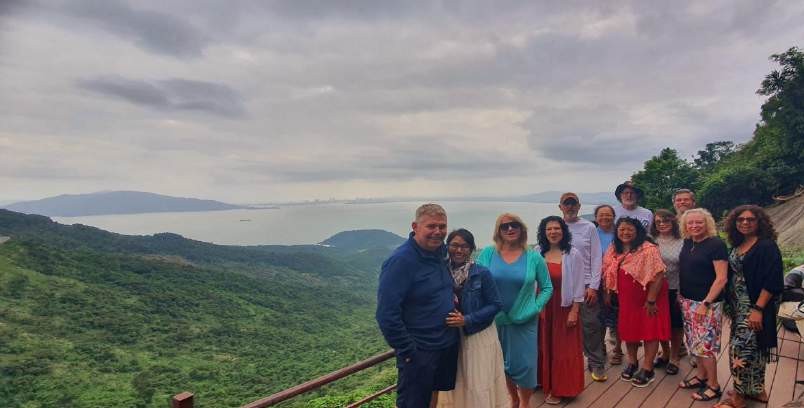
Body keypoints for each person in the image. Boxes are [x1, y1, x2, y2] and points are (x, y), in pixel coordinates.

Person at [376, 203, 459, 408]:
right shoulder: (401, 261)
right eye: (431, 226)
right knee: (413, 403)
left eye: (442, 226)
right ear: (415, 226)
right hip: (420, 350)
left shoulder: (440, 252)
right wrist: (409, 352)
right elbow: (386, 314)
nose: (438, 232)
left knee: (434, 395)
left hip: (444, 343)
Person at [476, 213, 553, 408]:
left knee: (526, 366)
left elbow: (547, 287)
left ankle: (525, 402)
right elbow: (476, 283)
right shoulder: (487, 254)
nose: (510, 229)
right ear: (498, 231)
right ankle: (514, 399)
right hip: (495, 320)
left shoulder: (533, 257)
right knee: (503, 364)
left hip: (525, 320)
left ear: (521, 229)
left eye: (514, 225)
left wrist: (535, 307)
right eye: (505, 226)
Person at [714, 205, 784, 408]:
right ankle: (756, 389)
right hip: (739, 307)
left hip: (753, 306)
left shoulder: (766, 246)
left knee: (740, 349)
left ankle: (738, 398)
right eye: (740, 220)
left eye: (750, 219)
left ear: (759, 222)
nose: (745, 222)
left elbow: (772, 280)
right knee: (754, 349)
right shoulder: (739, 243)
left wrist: (758, 309)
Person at [438, 228, 508, 408]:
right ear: (447, 247)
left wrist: (467, 319)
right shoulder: (440, 272)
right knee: (458, 381)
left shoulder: (480, 273)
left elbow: (496, 304)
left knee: (479, 382)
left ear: (471, 249)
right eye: (454, 245)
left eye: (464, 246)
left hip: (478, 335)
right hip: (452, 337)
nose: (459, 250)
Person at [602, 217, 669, 387]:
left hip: (649, 298)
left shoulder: (648, 249)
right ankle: (632, 362)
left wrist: (651, 299)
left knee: (649, 331)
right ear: (616, 232)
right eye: (621, 229)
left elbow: (659, 274)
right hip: (626, 298)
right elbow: (608, 272)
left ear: (638, 231)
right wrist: (609, 292)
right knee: (629, 330)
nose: (625, 232)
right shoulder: (613, 249)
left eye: (630, 229)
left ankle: (648, 368)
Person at [676, 208, 729, 402]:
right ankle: (701, 376)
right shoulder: (688, 242)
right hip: (688, 301)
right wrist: (682, 297)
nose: (694, 226)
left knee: (706, 345)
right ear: (685, 225)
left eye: (699, 222)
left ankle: (714, 385)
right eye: (690, 223)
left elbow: (721, 279)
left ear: (707, 223)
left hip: (707, 303)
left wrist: (705, 303)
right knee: (693, 342)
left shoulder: (716, 244)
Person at [536, 216, 585, 404]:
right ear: (543, 232)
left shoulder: (573, 254)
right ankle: (543, 382)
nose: (553, 232)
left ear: (563, 231)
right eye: (549, 229)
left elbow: (580, 283)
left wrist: (575, 310)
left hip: (564, 307)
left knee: (563, 350)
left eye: (557, 228)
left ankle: (563, 388)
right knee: (542, 345)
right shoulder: (537, 252)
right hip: (542, 306)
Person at [558, 193, 606, 382]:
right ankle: (564, 361)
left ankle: (596, 363)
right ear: (560, 207)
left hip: (586, 284)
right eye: (566, 204)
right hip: (561, 284)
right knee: (562, 325)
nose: (570, 207)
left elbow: (596, 257)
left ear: (579, 206)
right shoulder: (555, 227)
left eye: (573, 204)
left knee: (591, 324)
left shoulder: (588, 227)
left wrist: (594, 286)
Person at [651, 209, 684, 376]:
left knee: (676, 324)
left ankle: (675, 357)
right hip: (656, 290)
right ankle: (664, 352)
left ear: (673, 222)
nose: (662, 224)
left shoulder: (682, 241)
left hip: (676, 288)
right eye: (658, 222)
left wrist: (682, 291)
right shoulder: (651, 241)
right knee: (660, 323)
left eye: (666, 221)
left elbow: (687, 268)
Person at [595, 204, 623, 365]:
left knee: (618, 318)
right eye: (601, 215)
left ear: (614, 216)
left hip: (618, 283)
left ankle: (618, 349)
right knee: (599, 318)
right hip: (597, 281)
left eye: (608, 214)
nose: (604, 217)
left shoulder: (619, 233)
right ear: (596, 217)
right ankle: (601, 347)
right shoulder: (592, 233)